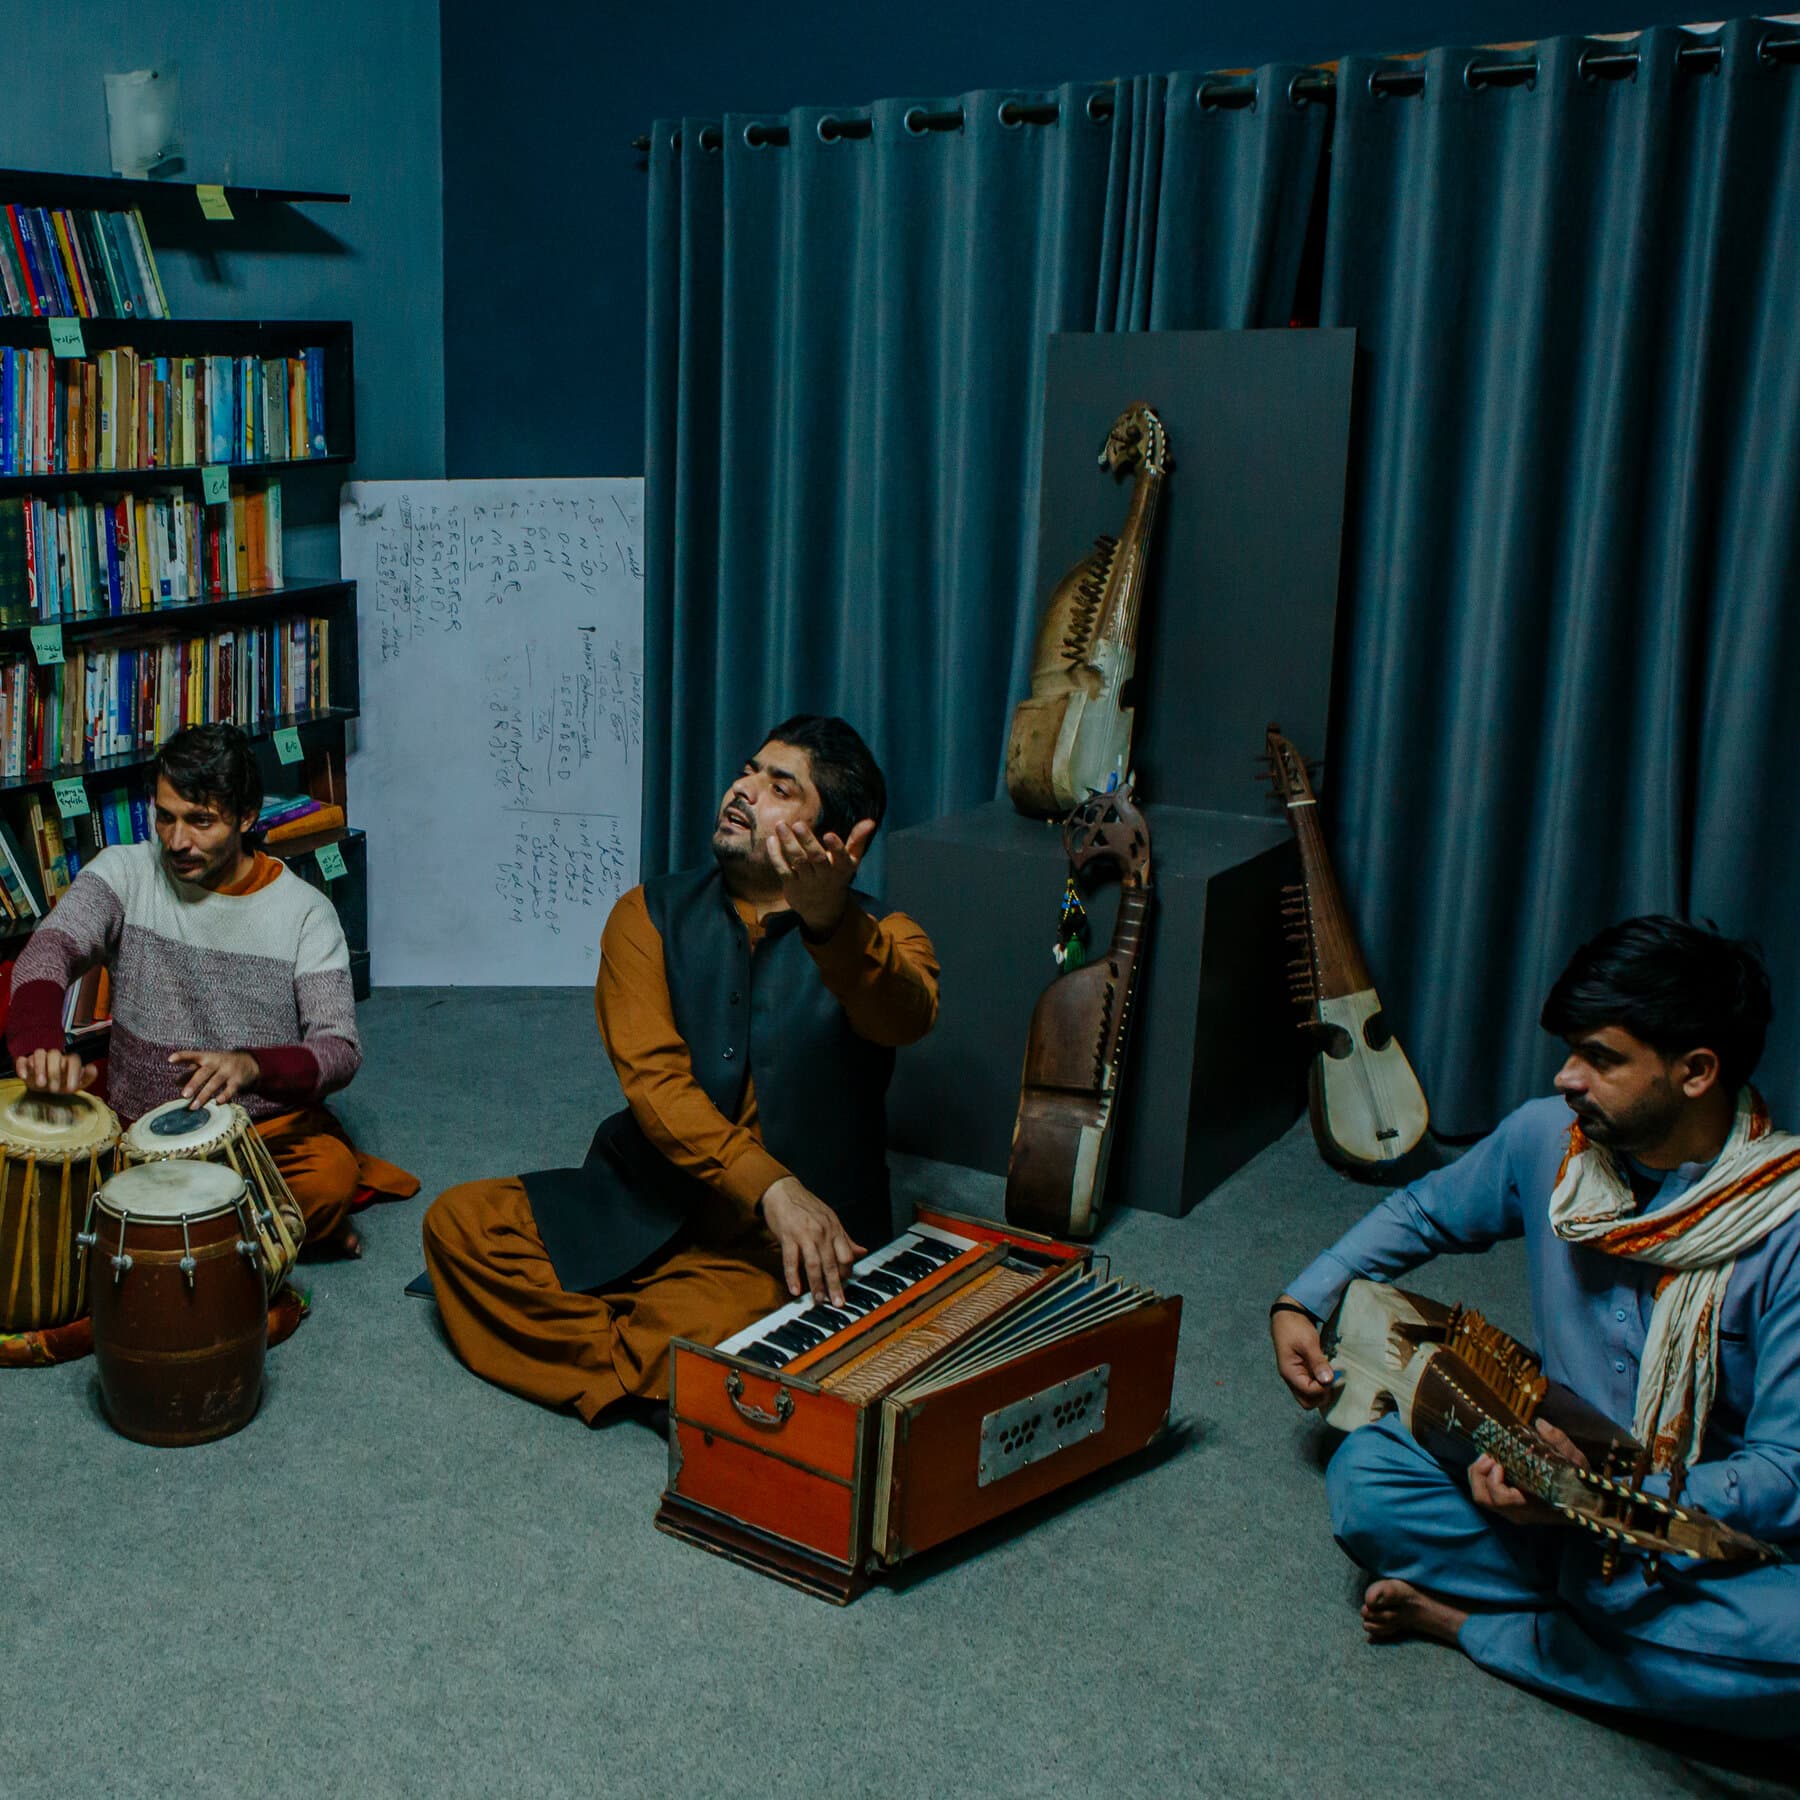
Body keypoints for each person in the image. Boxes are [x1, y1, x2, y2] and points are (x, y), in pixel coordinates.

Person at [1269, 916, 1800, 1738]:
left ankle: (1480, 1628)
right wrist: (1302, 1301)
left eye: (1601, 1058)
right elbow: (1425, 1211)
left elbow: (1784, 1472)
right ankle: (1615, 1629)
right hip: (1540, 1483)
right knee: (1368, 1479)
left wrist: (1600, 1501)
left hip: (1693, 1537)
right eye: (1570, 1052)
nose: (1566, 1077)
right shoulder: (1548, 1140)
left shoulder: (1787, 1229)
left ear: (1696, 1071)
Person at [422, 713, 939, 1424]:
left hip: (776, 1251)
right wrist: (771, 1185)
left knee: (716, 1319)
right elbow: (656, 1088)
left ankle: (636, 1339)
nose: (743, 789)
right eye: (748, 771)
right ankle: (653, 1361)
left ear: (831, 840)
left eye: (780, 786)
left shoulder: (889, 936)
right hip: (646, 1200)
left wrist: (832, 927)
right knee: (458, 1224)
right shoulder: (647, 915)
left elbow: (905, 1017)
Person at [5, 723, 417, 1258]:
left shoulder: (305, 913)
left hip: (256, 1135)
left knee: (328, 1177)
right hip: (139, 1132)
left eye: (201, 821)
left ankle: (192, 1228)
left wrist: (252, 1066)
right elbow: (48, 951)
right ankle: (261, 1233)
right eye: (166, 817)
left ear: (246, 817)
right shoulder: (125, 873)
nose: (177, 841)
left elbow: (339, 1050)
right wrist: (41, 1045)